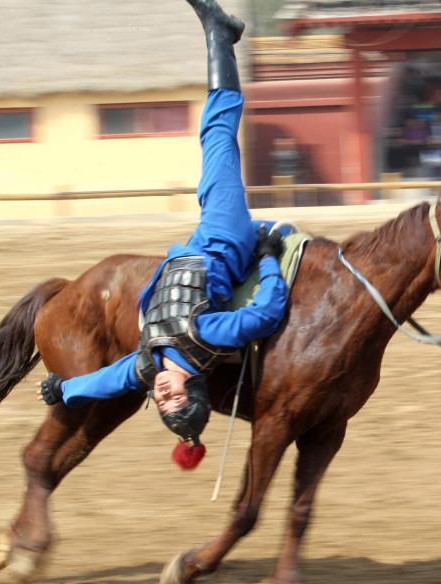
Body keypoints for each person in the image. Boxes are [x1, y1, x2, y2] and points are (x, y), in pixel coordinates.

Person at [38, 0, 287, 460]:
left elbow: (106, 380)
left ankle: (220, 35)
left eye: (161, 402)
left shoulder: (146, 365)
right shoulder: (206, 336)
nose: (161, 394)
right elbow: (266, 314)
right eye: (174, 397)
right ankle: (220, 34)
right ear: (192, 389)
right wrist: (269, 256)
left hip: (192, 243)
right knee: (216, 137)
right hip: (222, 239)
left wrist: (65, 390)